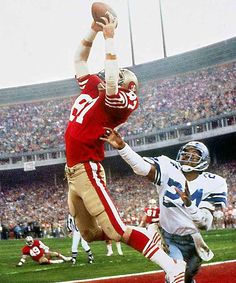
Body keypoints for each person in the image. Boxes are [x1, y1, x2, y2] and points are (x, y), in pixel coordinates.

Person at [64, 10, 186, 283]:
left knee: (117, 230)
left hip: (87, 169)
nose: (116, 74)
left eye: (121, 74)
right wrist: (93, 30)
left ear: (129, 85)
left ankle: (171, 266)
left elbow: (110, 86)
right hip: (71, 173)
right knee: (90, 234)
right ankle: (143, 236)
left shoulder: (122, 101)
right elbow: (79, 59)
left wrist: (109, 40)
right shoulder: (92, 86)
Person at [101, 128, 228, 283]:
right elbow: (141, 167)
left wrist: (189, 205)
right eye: (185, 153)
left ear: (204, 160)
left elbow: (205, 224)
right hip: (169, 237)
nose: (188, 157)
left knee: (188, 278)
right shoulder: (168, 166)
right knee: (176, 277)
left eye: (193, 155)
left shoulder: (215, 182)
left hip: (193, 240)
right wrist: (122, 147)